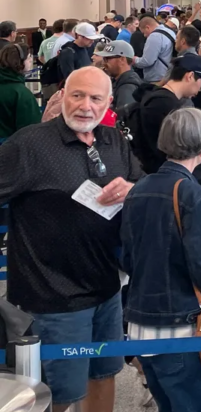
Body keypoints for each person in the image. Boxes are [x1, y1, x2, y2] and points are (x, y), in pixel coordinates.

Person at [0, 67, 142, 412]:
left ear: (108, 102)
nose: (85, 106)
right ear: (62, 95)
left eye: (96, 98)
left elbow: (145, 183)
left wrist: (132, 189)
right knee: (60, 393)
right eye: (77, 95)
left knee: (104, 373)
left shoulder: (113, 141)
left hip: (107, 286)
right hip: (53, 296)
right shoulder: (30, 144)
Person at [120, 108, 201, 412]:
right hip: (182, 327)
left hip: (140, 325)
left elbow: (127, 257)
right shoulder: (192, 195)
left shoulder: (138, 190)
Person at [0, 43, 41, 137]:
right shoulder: (21, 94)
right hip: (9, 148)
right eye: (29, 57)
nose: (31, 60)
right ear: (20, 61)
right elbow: (30, 132)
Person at [94, 40, 142, 111]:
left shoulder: (127, 87)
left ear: (122, 59)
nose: (104, 63)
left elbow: (123, 119)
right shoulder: (118, 80)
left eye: (107, 59)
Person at [135, 16, 176, 83]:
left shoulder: (154, 36)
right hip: (168, 75)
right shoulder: (170, 32)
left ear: (147, 27)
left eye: (144, 32)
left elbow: (147, 61)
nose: (144, 35)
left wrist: (135, 60)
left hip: (156, 79)